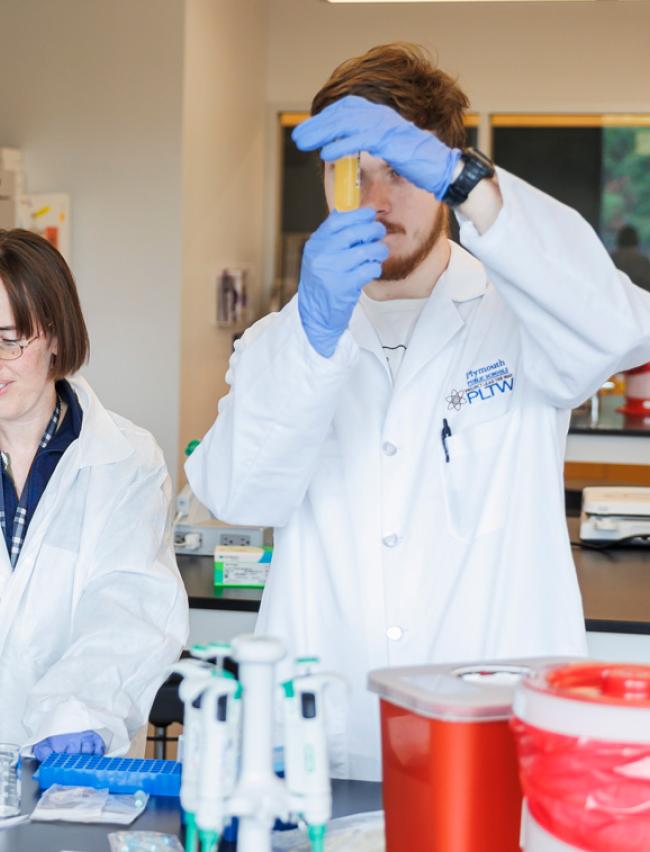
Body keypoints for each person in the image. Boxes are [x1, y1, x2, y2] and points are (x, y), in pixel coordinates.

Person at [186, 43, 650, 779]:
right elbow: (242, 493)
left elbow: (622, 330)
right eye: (356, 174)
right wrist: (314, 336)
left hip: (493, 736)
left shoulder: (526, 316)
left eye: (402, 170)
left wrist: (473, 184)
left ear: (447, 174)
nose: (377, 199)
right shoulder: (284, 338)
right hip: (323, 746)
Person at [0, 229, 188, 760]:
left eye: (9, 339)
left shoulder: (125, 460)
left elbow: (130, 607)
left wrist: (77, 711)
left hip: (68, 763)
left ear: (56, 337)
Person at [612, 224, 650, 292]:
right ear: (636, 240)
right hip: (639, 300)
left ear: (619, 240)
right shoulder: (643, 261)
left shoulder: (611, 259)